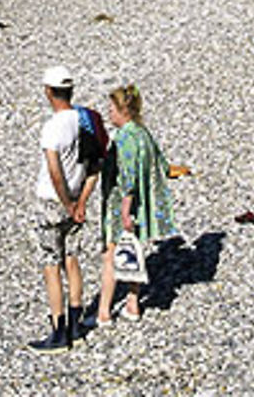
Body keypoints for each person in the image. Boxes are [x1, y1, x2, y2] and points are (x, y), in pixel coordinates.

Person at [90, 83, 176, 327]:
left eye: (111, 108)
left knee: (111, 256)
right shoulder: (143, 133)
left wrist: (125, 209)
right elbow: (163, 165)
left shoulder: (125, 136)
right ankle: (132, 304)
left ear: (122, 110)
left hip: (122, 205)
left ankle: (104, 312)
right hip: (142, 205)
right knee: (133, 252)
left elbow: (128, 178)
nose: (109, 113)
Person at [26, 66, 98, 353]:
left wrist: (67, 202)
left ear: (48, 91)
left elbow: (54, 170)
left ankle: (58, 331)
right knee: (72, 258)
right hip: (78, 197)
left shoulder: (52, 127)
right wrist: (80, 202)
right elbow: (95, 165)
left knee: (51, 264)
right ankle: (76, 322)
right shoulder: (86, 120)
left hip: (51, 201)